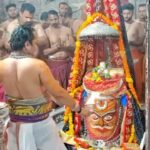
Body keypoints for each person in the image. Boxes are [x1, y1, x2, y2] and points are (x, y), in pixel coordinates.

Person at [1, 24, 82, 150]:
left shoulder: (2, 65)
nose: (37, 46)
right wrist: (77, 108)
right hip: (39, 125)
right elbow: (58, 93)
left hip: (14, 124)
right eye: (35, 43)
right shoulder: (37, 65)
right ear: (27, 44)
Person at [44, 10, 75, 90]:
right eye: (51, 20)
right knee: (57, 90)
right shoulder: (46, 32)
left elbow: (74, 47)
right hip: (54, 65)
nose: (54, 21)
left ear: (58, 18)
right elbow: (44, 52)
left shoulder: (67, 30)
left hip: (67, 63)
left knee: (70, 88)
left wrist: (66, 46)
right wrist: (56, 48)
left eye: (55, 19)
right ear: (48, 20)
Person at [122, 3, 146, 102]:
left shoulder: (138, 24)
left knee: (136, 78)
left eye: (128, 13)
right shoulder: (121, 25)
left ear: (132, 13)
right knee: (125, 78)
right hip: (124, 54)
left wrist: (131, 42)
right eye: (124, 13)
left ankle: (138, 101)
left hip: (135, 54)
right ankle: (127, 102)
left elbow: (142, 42)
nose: (126, 15)